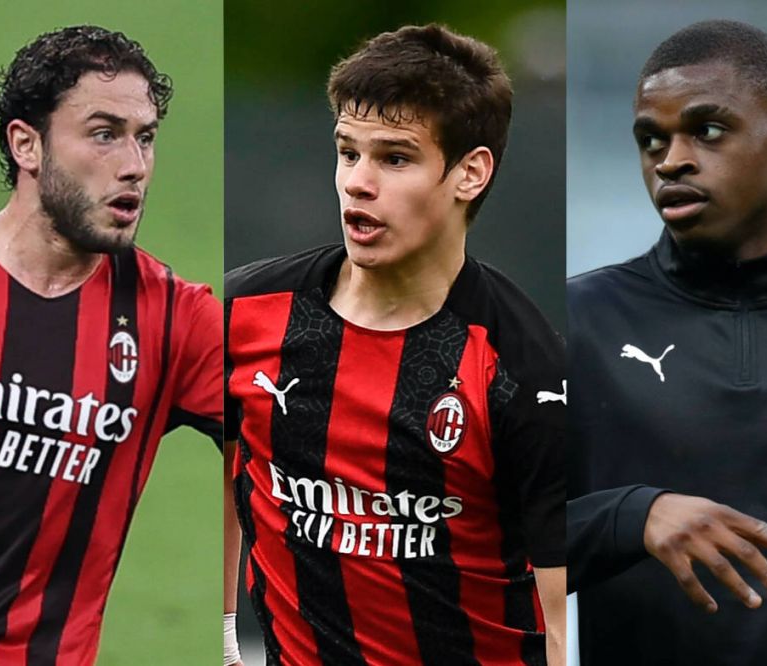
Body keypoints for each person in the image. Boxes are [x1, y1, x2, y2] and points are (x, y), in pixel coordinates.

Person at [0, 26, 222, 665]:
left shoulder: (176, 318)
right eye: (103, 133)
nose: (135, 165)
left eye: (145, 137)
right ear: (26, 144)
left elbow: (301, 431)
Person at [224, 24, 566, 666]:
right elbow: (223, 454)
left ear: (470, 173)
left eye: (395, 158)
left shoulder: (523, 369)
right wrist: (222, 639)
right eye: (348, 152)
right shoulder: (244, 314)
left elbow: (560, 615)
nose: (358, 181)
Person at [568, 19, 767, 666]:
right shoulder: (584, 320)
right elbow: (479, 541)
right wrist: (634, 516)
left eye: (707, 129)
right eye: (650, 139)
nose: (671, 160)